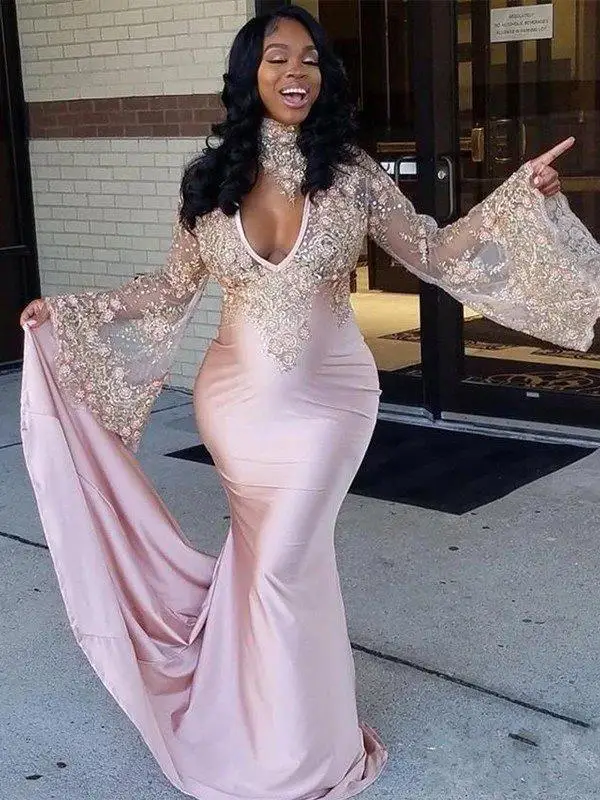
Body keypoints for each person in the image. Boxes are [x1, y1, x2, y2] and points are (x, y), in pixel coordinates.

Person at [18, 4, 600, 800]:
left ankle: (293, 752)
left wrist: (518, 197)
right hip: (235, 404)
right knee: (270, 563)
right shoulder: (209, 182)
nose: (296, 73)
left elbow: (433, 249)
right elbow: (168, 288)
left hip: (331, 401)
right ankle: (260, 724)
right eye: (277, 58)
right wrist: (71, 311)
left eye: (310, 60)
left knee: (281, 564)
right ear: (248, 75)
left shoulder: (351, 174)